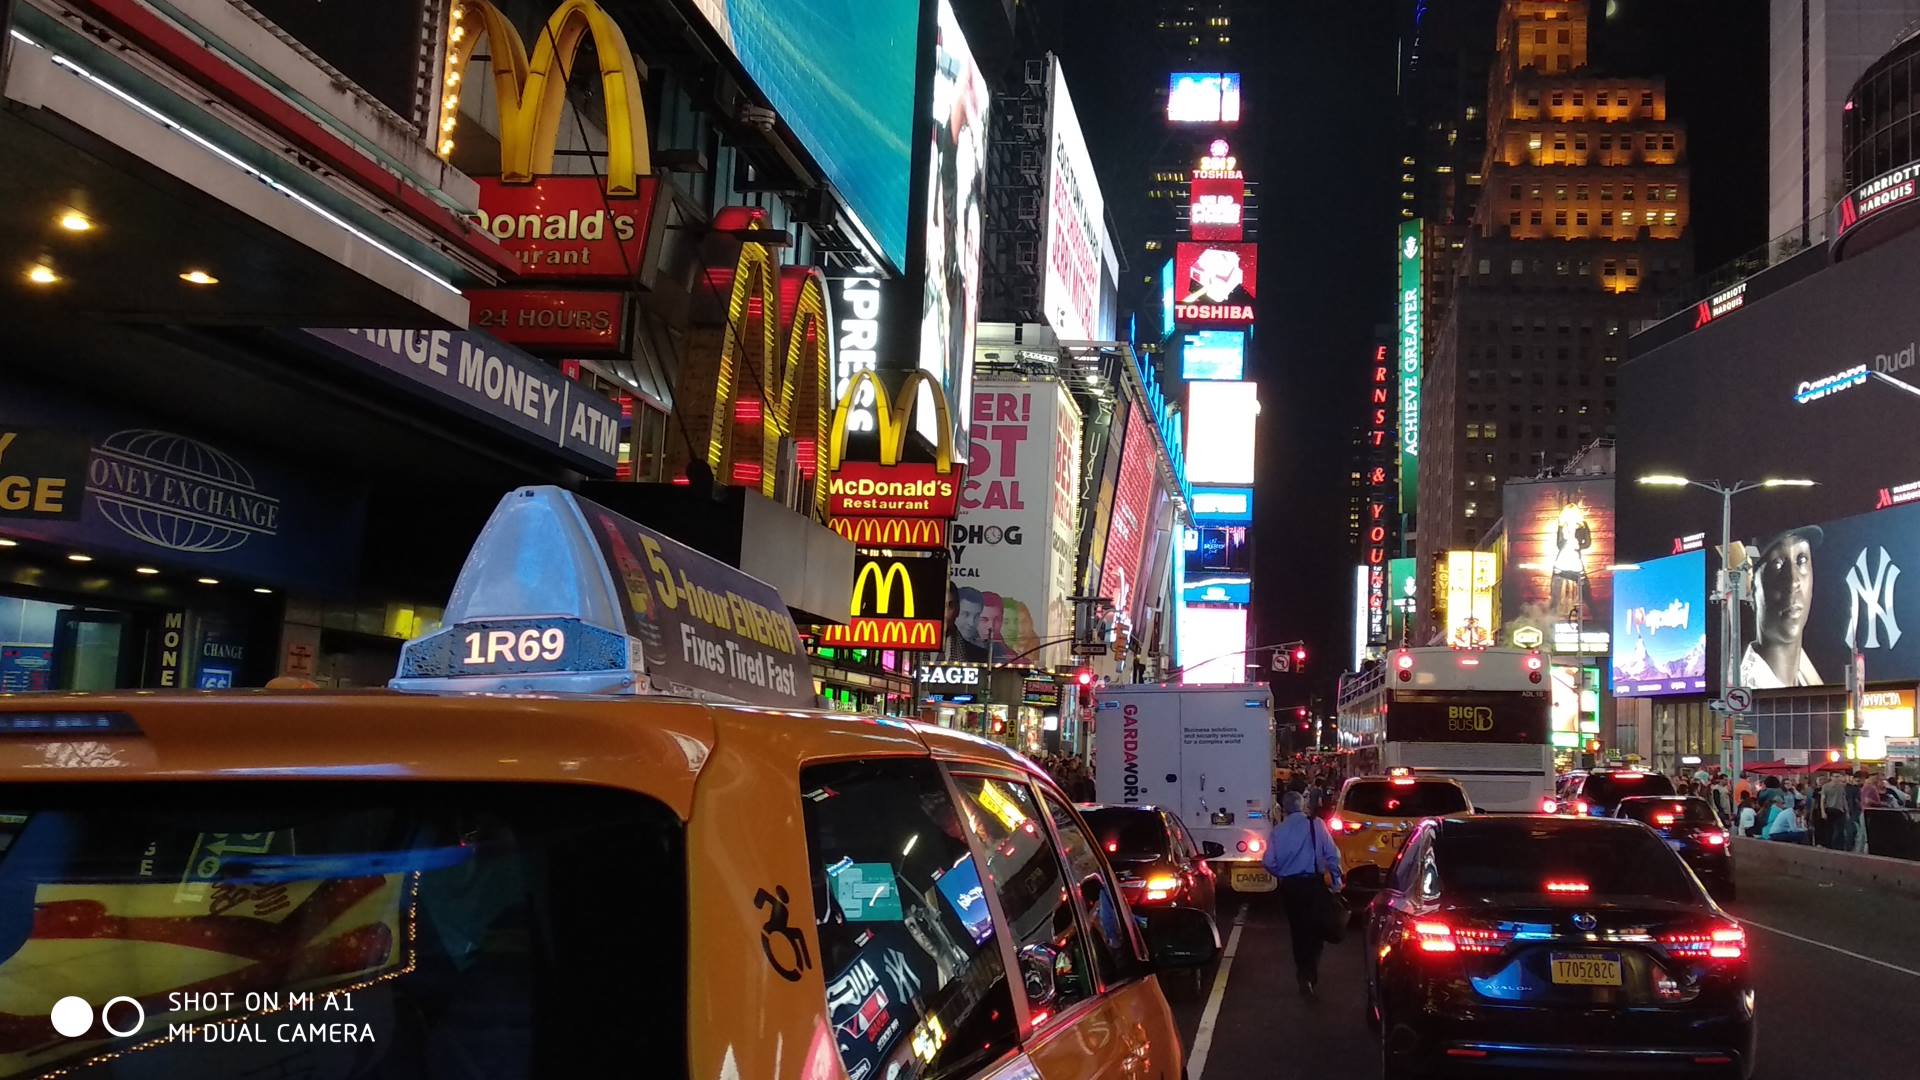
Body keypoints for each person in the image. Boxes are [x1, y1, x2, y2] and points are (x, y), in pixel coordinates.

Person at [1262, 790, 1343, 997]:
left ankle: (1302, 972)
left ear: (1283, 808)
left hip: (1291, 887)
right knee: (1316, 929)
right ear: (1302, 805)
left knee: (1298, 930)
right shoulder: (1316, 825)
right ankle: (1310, 973)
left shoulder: (1278, 831)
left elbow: (1268, 861)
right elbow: (1332, 855)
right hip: (1313, 884)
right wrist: (1336, 881)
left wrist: (1282, 873)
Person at [1740, 527, 1824, 688]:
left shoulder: (1805, 678)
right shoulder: (1747, 693)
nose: (1793, 582)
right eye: (1777, 564)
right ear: (1752, 588)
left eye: (1801, 560)